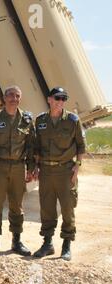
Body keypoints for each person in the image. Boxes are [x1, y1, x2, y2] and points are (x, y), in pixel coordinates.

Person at [33, 87, 86, 261]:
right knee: (47, 208)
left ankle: (66, 245)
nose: (61, 101)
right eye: (57, 98)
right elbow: (36, 147)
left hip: (65, 171)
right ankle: (47, 244)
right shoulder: (40, 120)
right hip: (46, 171)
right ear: (49, 99)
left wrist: (77, 167)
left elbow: (81, 146)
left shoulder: (72, 120)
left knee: (67, 208)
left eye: (64, 98)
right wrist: (36, 166)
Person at [0, 85, 35, 256]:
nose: (14, 98)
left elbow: (30, 146)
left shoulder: (26, 120)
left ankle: (16, 241)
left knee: (17, 206)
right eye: (10, 95)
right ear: (4, 98)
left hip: (18, 168)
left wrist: (31, 169)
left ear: (20, 98)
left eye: (17, 96)